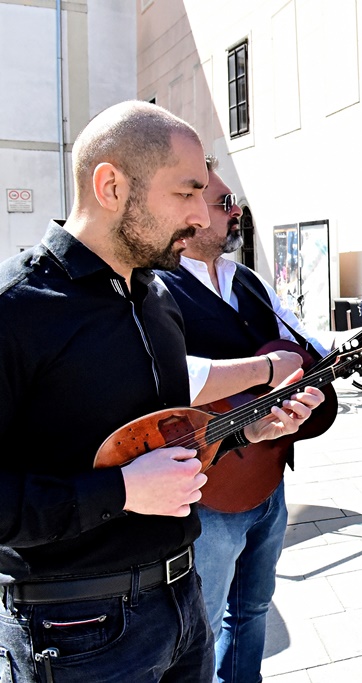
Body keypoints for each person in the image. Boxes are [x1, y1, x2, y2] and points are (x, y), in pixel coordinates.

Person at [0, 101, 323, 682]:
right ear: (111, 185)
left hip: (183, 604)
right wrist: (120, 490)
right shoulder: (16, 310)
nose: (203, 216)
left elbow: (164, 443)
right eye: (187, 192)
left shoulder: (157, 299)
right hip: (74, 630)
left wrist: (246, 432)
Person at [158, 162, 362, 682]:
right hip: (206, 493)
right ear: (186, 211)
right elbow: (164, 379)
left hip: (268, 480)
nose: (236, 214)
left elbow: (306, 348)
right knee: (197, 630)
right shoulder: (156, 288)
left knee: (250, 612)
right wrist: (262, 371)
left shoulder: (248, 282)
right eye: (225, 204)